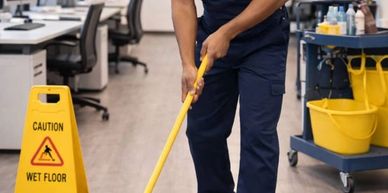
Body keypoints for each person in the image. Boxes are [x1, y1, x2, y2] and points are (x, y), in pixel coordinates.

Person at [172, 0, 289, 193]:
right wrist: (187, 64)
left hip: (264, 40)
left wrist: (228, 32)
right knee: (202, 132)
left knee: (257, 133)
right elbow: (182, 3)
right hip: (212, 39)